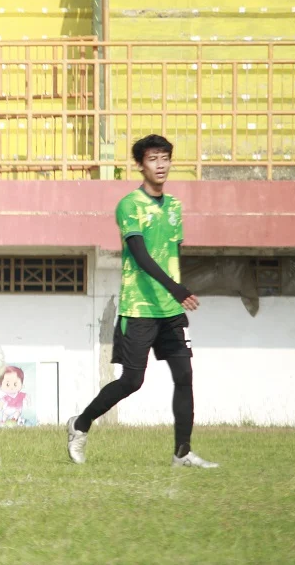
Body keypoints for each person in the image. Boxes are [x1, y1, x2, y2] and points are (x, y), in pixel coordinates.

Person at [67, 134, 218, 469]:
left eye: (165, 157)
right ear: (140, 164)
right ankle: (80, 424)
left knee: (184, 376)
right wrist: (176, 287)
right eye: (153, 158)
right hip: (139, 308)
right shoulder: (129, 206)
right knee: (131, 382)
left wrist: (179, 291)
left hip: (172, 311)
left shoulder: (175, 206)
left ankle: (183, 452)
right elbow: (140, 255)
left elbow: (173, 253)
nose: (160, 164)